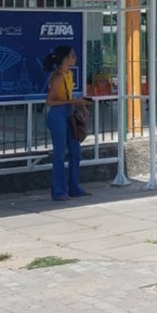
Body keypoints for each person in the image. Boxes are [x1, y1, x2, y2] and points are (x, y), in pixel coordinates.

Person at [42, 45, 92, 201]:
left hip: (68, 113)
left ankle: (74, 187)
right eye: (72, 55)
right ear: (65, 58)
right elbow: (50, 101)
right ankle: (58, 191)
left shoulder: (69, 75)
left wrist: (80, 105)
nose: (75, 58)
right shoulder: (57, 77)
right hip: (57, 114)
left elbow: (69, 95)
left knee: (75, 151)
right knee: (60, 152)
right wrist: (74, 101)